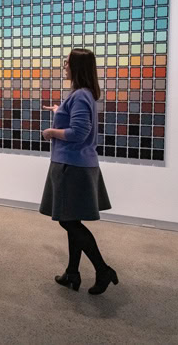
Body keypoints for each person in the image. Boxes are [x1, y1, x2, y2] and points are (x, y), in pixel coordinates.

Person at [39, 48, 117, 295]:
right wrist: (58, 111)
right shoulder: (83, 95)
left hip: (71, 166)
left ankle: (103, 269)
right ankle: (72, 273)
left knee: (68, 220)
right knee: (72, 219)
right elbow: (75, 121)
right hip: (77, 164)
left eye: (67, 62)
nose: (65, 66)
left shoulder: (81, 95)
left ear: (77, 67)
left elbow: (78, 133)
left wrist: (51, 132)